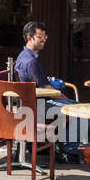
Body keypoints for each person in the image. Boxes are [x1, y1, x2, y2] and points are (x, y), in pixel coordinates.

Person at [13, 21, 81, 164]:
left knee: (75, 107)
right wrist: (60, 95)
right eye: (40, 37)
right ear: (29, 38)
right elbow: (45, 88)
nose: (44, 40)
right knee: (79, 111)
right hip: (37, 106)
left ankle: (55, 146)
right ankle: (68, 152)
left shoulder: (24, 56)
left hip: (32, 103)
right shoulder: (31, 61)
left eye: (45, 37)